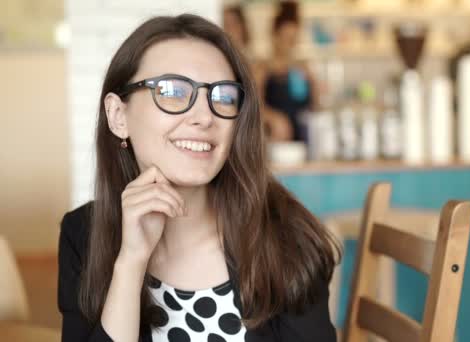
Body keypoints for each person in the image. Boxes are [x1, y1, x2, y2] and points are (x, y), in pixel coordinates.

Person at [57, 13, 340, 342]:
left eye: (222, 96)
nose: (205, 116)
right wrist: (131, 261)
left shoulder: (284, 237)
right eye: (173, 91)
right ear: (119, 116)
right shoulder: (83, 237)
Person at [256, 1, 319, 142]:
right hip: (276, 138)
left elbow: (315, 106)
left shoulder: (303, 68)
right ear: (274, 36)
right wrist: (273, 118)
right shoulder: (263, 67)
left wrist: (314, 85)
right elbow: (254, 106)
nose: (289, 45)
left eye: (293, 40)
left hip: (303, 138)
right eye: (285, 39)